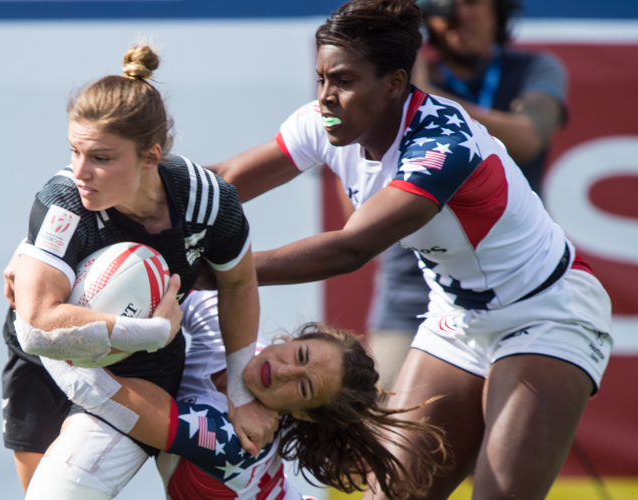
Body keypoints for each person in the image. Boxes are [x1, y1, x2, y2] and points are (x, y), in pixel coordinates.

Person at [206, 1, 613, 499]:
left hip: (549, 311)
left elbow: (350, 248)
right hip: (458, 316)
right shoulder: (326, 120)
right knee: (391, 495)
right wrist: (134, 203)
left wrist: (217, 272)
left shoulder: (442, 144)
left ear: (395, 83)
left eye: (345, 80)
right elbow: (221, 184)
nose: (327, 98)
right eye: (321, 79)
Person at [1, 44, 274, 493]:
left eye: (101, 158)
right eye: (74, 151)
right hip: (45, 363)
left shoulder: (207, 202)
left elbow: (239, 282)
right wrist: (151, 331)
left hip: (137, 373)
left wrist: (242, 397)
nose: (80, 171)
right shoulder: (63, 199)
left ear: (151, 156)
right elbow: (36, 327)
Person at [22, 290, 444, 500]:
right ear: (292, 337)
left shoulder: (235, 442)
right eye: (299, 354)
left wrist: (32, 321)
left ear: (307, 415)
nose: (281, 370)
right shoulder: (236, 337)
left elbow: (105, 394)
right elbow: (180, 277)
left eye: (302, 386)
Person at [369, 0, 569, 390]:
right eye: (446, 6)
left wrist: (424, 97)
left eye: (473, 2)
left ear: (499, 10)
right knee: (390, 433)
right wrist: (396, 72)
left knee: (508, 440)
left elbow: (529, 136)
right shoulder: (398, 81)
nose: (460, 15)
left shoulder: (533, 69)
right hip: (413, 295)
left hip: (516, 287)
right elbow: (363, 208)